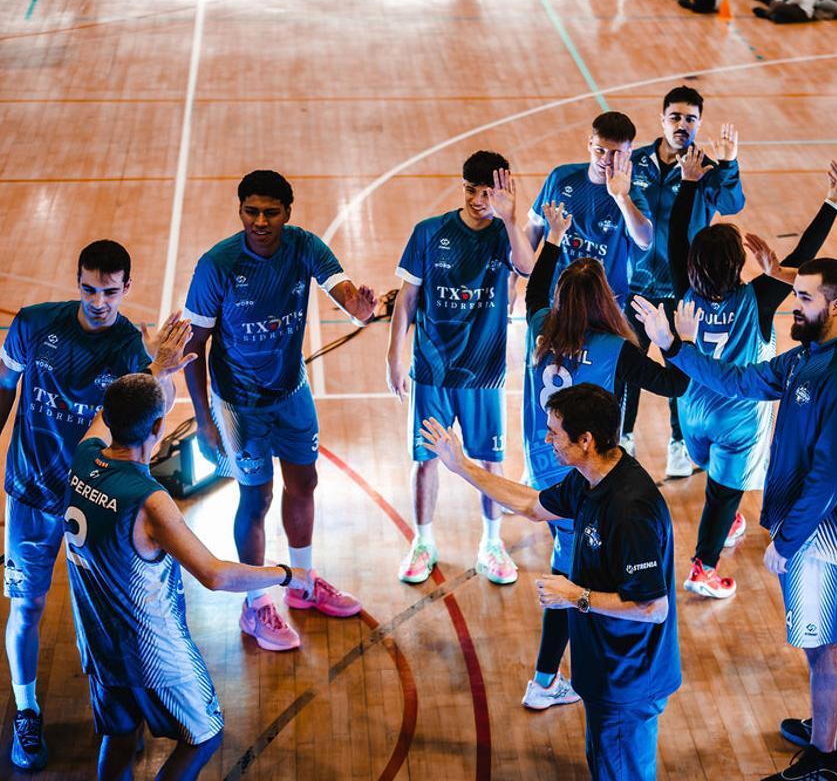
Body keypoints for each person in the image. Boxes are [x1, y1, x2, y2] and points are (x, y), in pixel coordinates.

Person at [632, 255, 837, 781]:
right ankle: (833, 724)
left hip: (819, 534)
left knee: (819, 645)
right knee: (826, 636)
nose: (795, 303)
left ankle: (824, 759)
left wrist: (788, 541)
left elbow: (831, 473)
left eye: (806, 298)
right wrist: (676, 349)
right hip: (811, 529)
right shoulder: (808, 356)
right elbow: (741, 381)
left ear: (836, 306)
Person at [64, 326, 315, 781]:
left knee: (119, 738)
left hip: (99, 641)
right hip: (151, 650)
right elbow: (215, 575)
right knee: (203, 737)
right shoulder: (149, 500)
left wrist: (157, 369)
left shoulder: (83, 458)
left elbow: (108, 414)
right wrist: (283, 573)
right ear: (159, 429)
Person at [421, 385, 680, 781]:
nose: (547, 440)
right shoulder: (589, 478)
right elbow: (530, 505)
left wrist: (577, 597)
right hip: (603, 670)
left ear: (586, 440)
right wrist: (463, 467)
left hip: (629, 682)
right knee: (606, 768)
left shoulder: (631, 512)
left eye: (554, 432)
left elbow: (653, 607)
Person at [181, 170, 378, 652]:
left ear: (288, 214)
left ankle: (302, 581)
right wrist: (204, 419)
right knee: (257, 498)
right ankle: (255, 604)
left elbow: (343, 289)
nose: (261, 221)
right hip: (240, 405)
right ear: (241, 211)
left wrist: (360, 306)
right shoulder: (217, 265)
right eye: (252, 212)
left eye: (272, 213)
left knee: (304, 483)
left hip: (291, 392)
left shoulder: (304, 246)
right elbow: (194, 347)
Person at [520, 202, 689, 710]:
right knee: (570, 581)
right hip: (584, 472)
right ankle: (545, 680)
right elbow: (675, 382)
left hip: (545, 456)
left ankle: (551, 675)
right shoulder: (617, 348)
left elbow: (532, 290)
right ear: (603, 301)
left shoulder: (540, 327)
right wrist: (669, 339)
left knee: (570, 569)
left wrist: (552, 239)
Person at [0, 240, 156, 771]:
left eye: (110, 291)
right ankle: (26, 710)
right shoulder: (33, 325)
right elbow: (3, 391)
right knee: (27, 607)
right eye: (89, 288)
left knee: (113, 616)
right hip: (29, 495)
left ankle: (120, 712)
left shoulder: (133, 348)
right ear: (77, 282)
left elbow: (143, 431)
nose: (98, 301)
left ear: (126, 288)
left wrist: (165, 370)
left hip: (97, 504)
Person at [668, 145, 837, 599]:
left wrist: (687, 184)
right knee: (724, 494)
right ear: (738, 265)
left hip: (691, 408)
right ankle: (703, 568)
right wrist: (831, 204)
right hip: (739, 416)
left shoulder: (682, 289)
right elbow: (806, 255)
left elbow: (674, 237)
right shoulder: (759, 297)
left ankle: (725, 521)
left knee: (713, 475)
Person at [388, 152, 536, 586]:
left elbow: (526, 267)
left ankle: (492, 544)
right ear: (463, 187)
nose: (478, 199)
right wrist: (394, 354)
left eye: (488, 192)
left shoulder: (502, 236)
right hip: (431, 371)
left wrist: (510, 221)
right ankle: (422, 542)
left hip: (484, 372)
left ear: (502, 192)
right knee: (426, 459)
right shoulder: (429, 232)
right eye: (472, 189)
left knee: (490, 461)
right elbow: (407, 299)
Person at [623, 88, 745, 476]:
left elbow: (732, 205)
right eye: (675, 117)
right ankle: (623, 438)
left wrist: (728, 163)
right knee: (628, 366)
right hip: (635, 286)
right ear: (662, 119)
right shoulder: (635, 161)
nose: (682, 126)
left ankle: (678, 443)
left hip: (681, 290)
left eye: (690, 119)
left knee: (680, 371)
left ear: (699, 124)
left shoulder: (707, 168)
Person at [525, 111, 653, 308]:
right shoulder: (561, 178)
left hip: (605, 309)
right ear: (589, 143)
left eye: (615, 153)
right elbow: (534, 227)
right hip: (555, 300)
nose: (605, 160)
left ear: (629, 152)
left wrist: (621, 198)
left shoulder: (631, 195)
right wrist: (511, 280)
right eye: (600, 150)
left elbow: (645, 240)